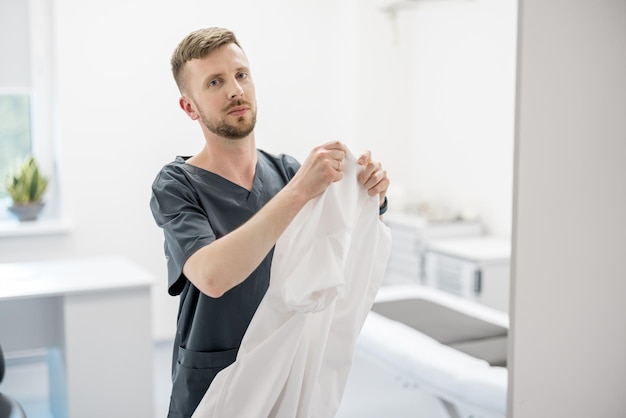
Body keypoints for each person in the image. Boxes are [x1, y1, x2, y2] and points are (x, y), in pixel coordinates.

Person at [150, 27, 390, 418]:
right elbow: (212, 275)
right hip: (214, 378)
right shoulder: (176, 185)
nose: (235, 90)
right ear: (190, 108)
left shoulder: (287, 171)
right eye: (215, 82)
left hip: (288, 374)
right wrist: (297, 193)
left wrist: (370, 192)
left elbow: (340, 241)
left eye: (241, 75)